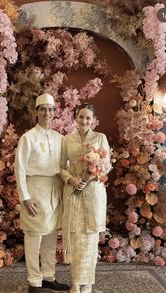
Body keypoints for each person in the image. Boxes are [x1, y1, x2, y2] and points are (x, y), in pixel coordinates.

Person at [15, 93, 70, 293]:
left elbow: (67, 165)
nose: (47, 113)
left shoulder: (61, 139)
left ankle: (48, 277)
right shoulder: (27, 138)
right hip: (35, 190)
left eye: (50, 109)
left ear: (55, 112)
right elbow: (19, 169)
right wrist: (25, 197)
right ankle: (34, 281)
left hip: (55, 190)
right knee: (34, 236)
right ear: (36, 112)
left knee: (51, 236)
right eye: (43, 109)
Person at [60, 103, 112, 293]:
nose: (84, 121)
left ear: (93, 120)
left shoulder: (100, 138)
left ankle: (88, 282)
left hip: (93, 193)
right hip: (73, 193)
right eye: (81, 117)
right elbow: (61, 167)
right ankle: (75, 282)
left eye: (88, 118)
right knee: (75, 237)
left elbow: (106, 166)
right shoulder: (67, 139)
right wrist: (72, 179)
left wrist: (91, 175)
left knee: (90, 238)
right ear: (76, 117)